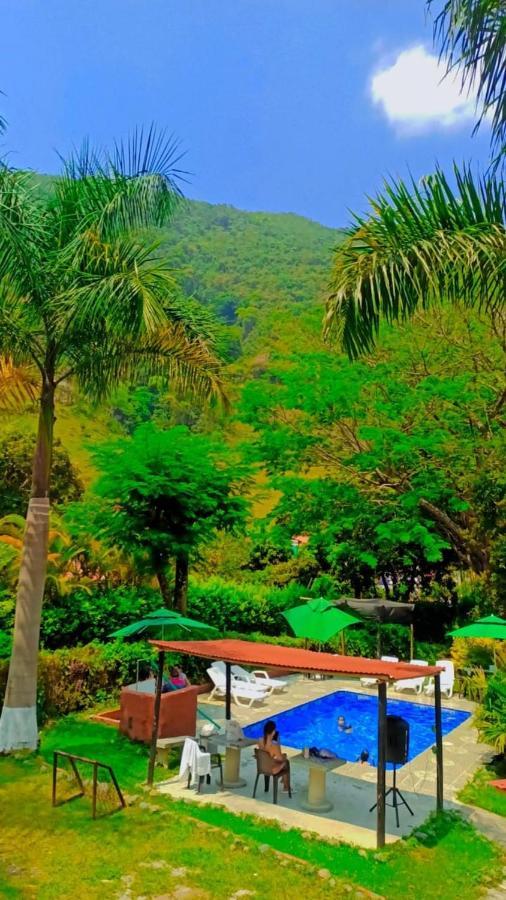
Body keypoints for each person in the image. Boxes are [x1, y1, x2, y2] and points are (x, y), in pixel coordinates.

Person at [258, 720, 291, 793]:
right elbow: (280, 759)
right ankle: (286, 786)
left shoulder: (260, 740)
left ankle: (284, 780)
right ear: (273, 731)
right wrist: (283, 756)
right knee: (286, 762)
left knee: (283, 758)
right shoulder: (274, 746)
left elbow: (265, 754)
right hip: (272, 769)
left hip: (262, 766)